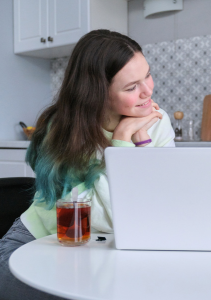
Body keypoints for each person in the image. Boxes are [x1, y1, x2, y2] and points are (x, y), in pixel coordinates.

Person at [0, 29, 175, 299]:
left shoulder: (156, 121)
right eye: (131, 87)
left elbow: (156, 204)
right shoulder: (63, 129)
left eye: (147, 75)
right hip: (40, 241)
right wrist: (122, 142)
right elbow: (92, 217)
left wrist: (142, 141)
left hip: (105, 247)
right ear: (98, 94)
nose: (148, 91)